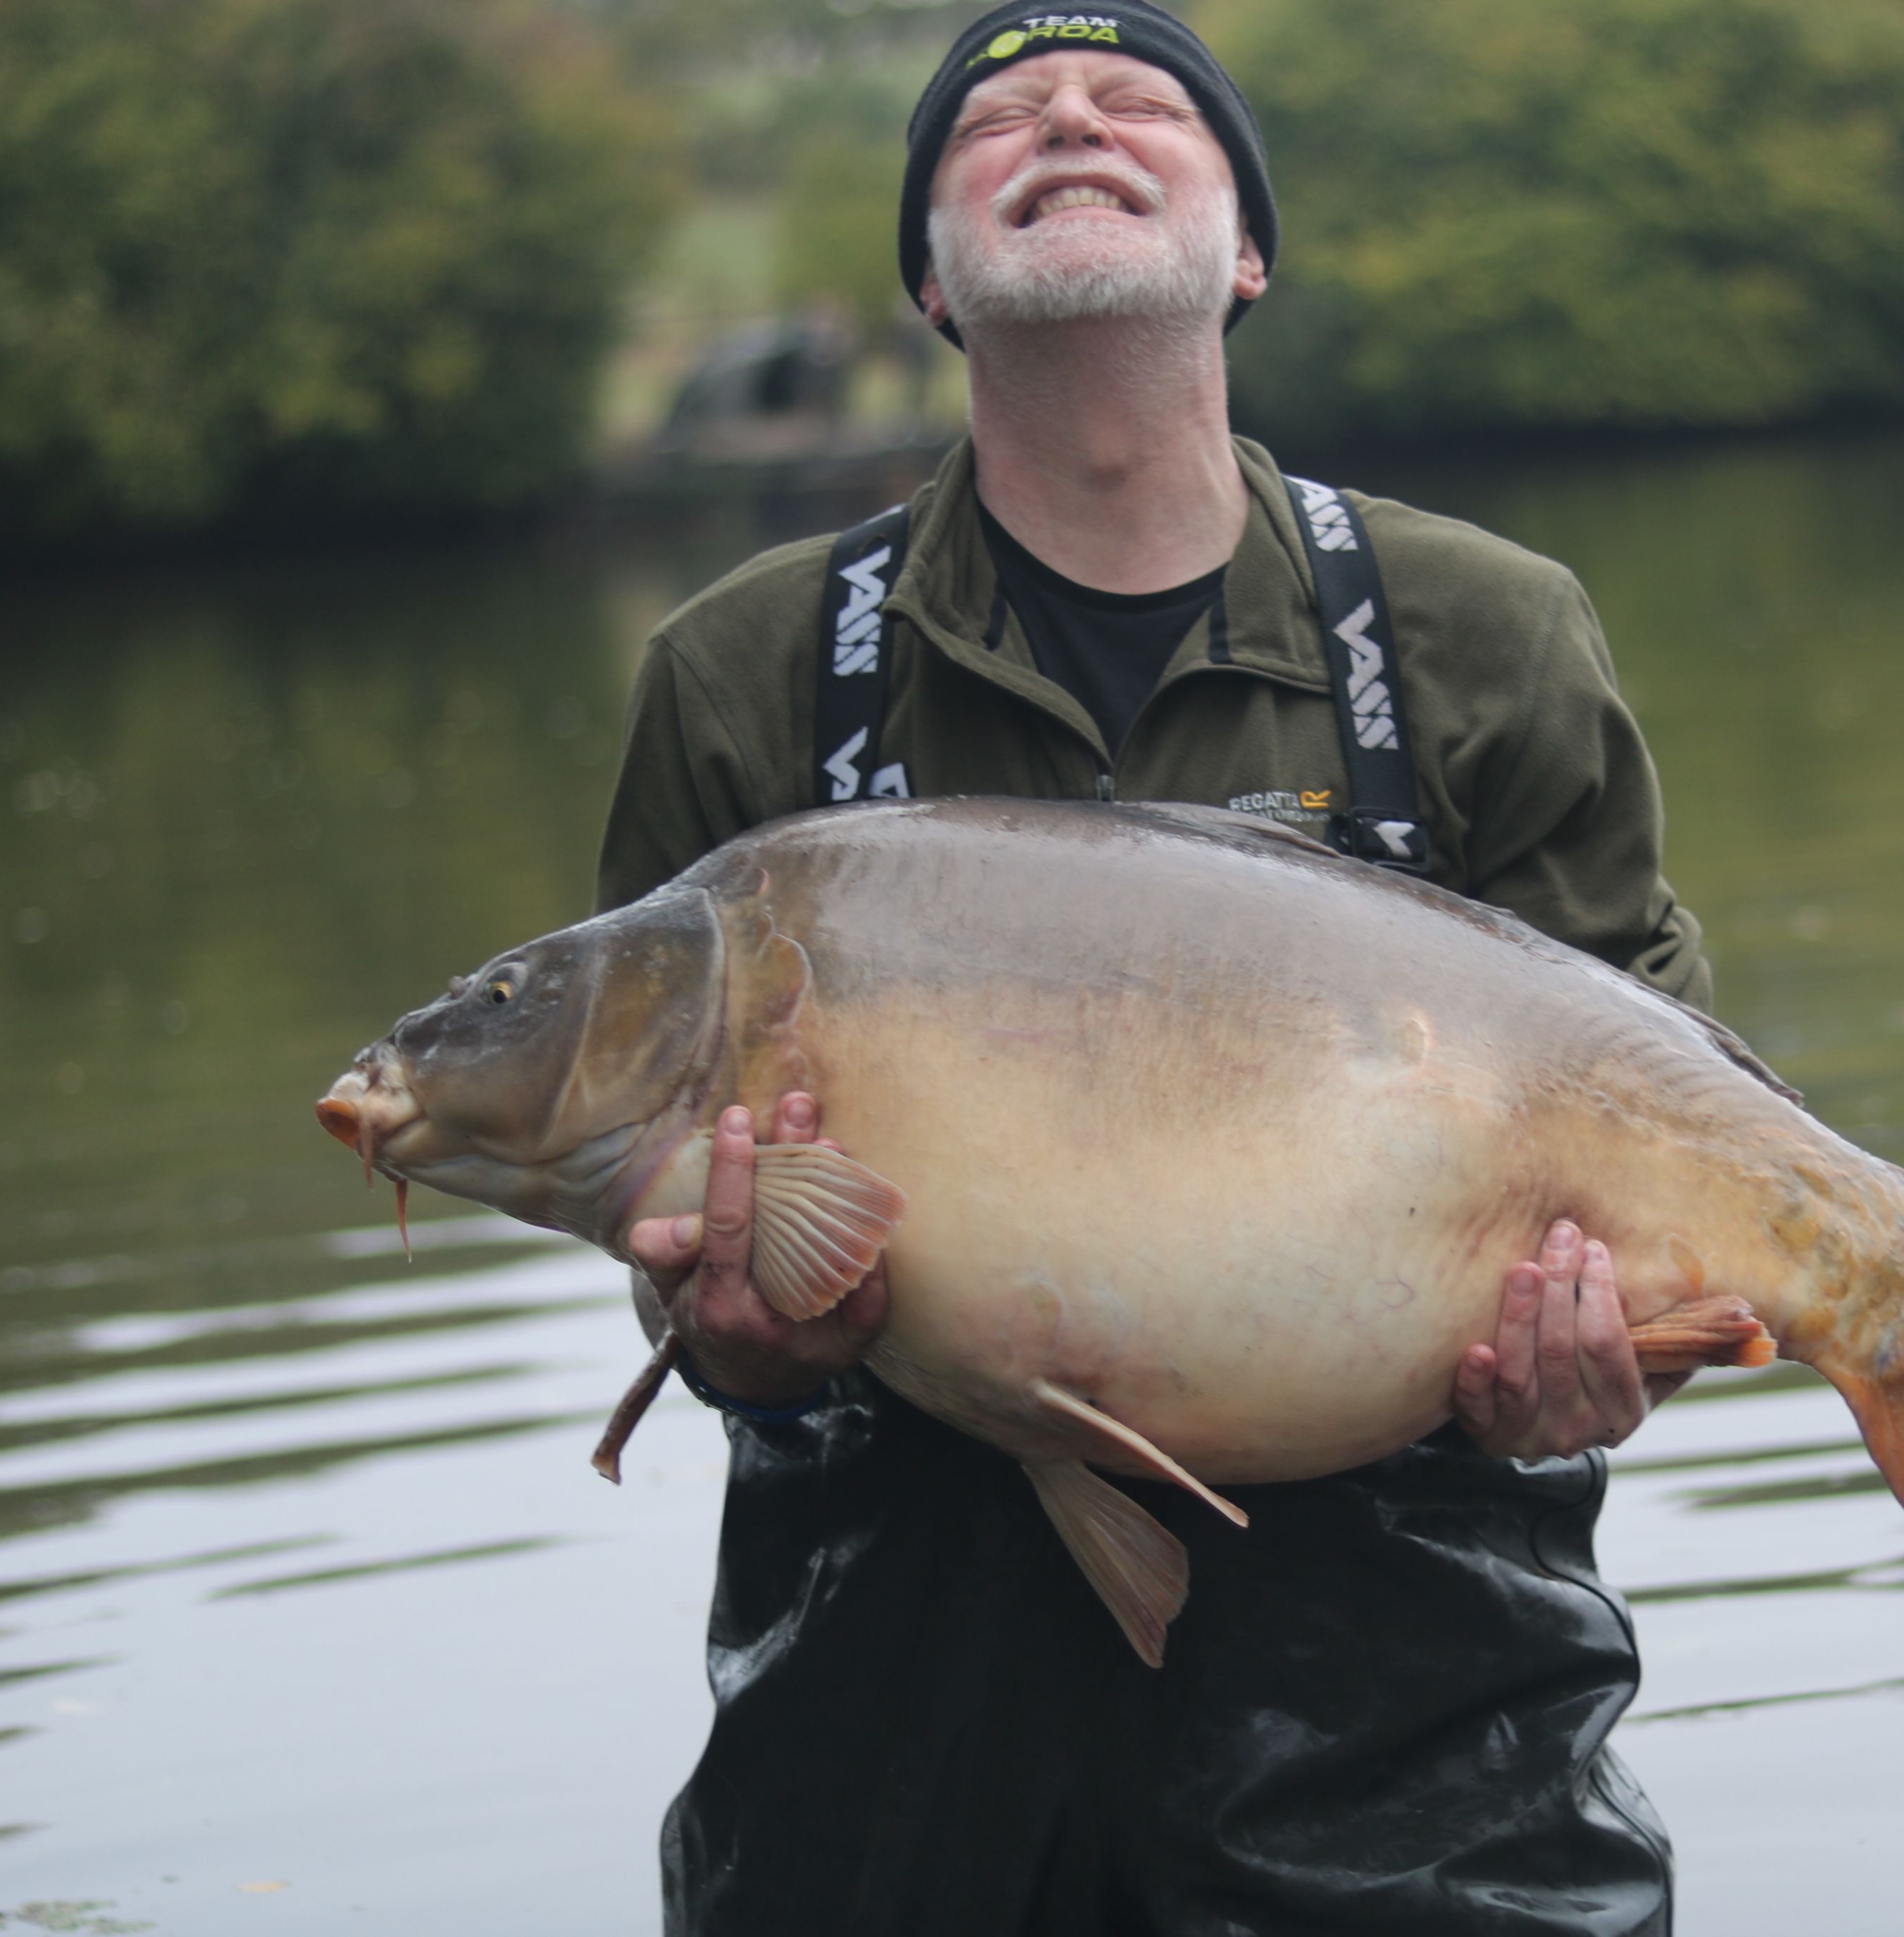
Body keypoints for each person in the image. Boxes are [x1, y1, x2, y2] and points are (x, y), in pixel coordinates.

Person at [595, 6, 1713, 1929]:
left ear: (1248, 247)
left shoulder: (1483, 634)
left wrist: (1604, 1359)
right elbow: (672, 1240)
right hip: (891, 1744)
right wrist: (726, 1338)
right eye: (999, 115)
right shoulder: (743, 672)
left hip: (1423, 1728)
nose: (1072, 120)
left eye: (1140, 102)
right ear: (932, 283)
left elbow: (1675, 1124)